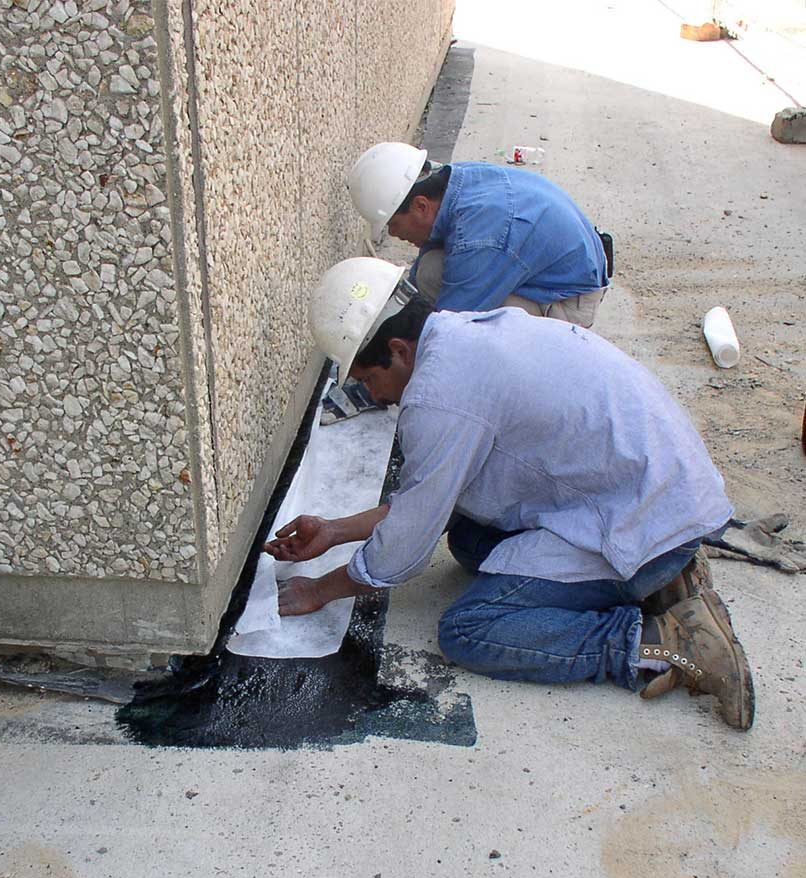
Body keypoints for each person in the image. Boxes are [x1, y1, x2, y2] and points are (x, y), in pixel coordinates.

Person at [266, 258, 754, 730]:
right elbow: (431, 501)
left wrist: (319, 590)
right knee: (471, 543)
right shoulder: (463, 334)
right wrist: (334, 531)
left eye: (371, 379)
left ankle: (662, 640)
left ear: (398, 349)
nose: (374, 396)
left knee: (470, 631)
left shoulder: (439, 397)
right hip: (661, 495)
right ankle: (666, 580)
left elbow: (402, 550)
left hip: (642, 522)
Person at [348, 142, 609, 328]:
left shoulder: (480, 236)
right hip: (545, 270)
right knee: (430, 272)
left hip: (569, 301)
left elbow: (450, 328)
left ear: (420, 206)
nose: (393, 234)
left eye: (393, 223)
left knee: (476, 333)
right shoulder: (453, 180)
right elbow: (420, 280)